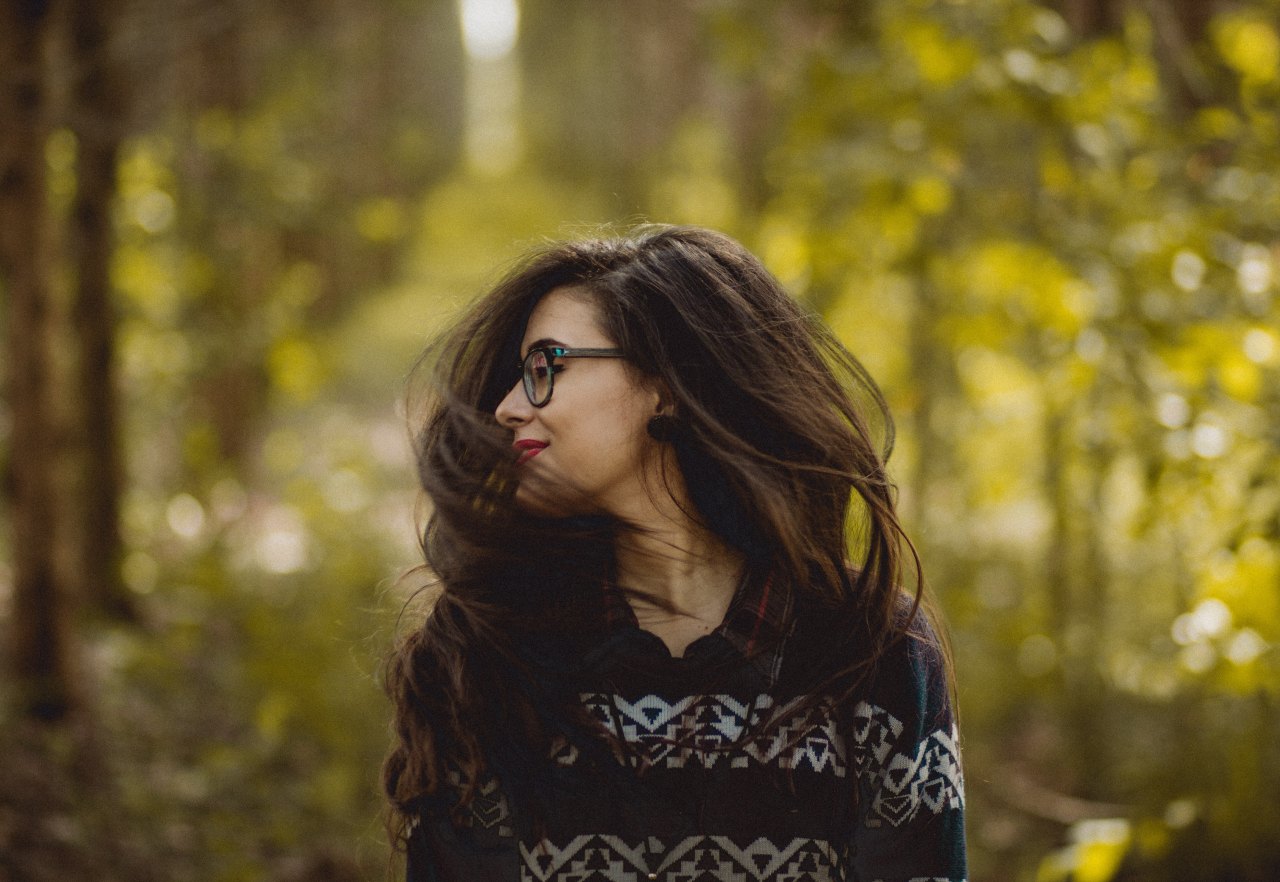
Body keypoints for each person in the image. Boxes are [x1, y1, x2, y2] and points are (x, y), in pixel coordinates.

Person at [382, 225, 966, 882]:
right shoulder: (481, 653)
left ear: (664, 386)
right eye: (518, 376)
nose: (510, 407)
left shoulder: (874, 652)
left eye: (546, 367)